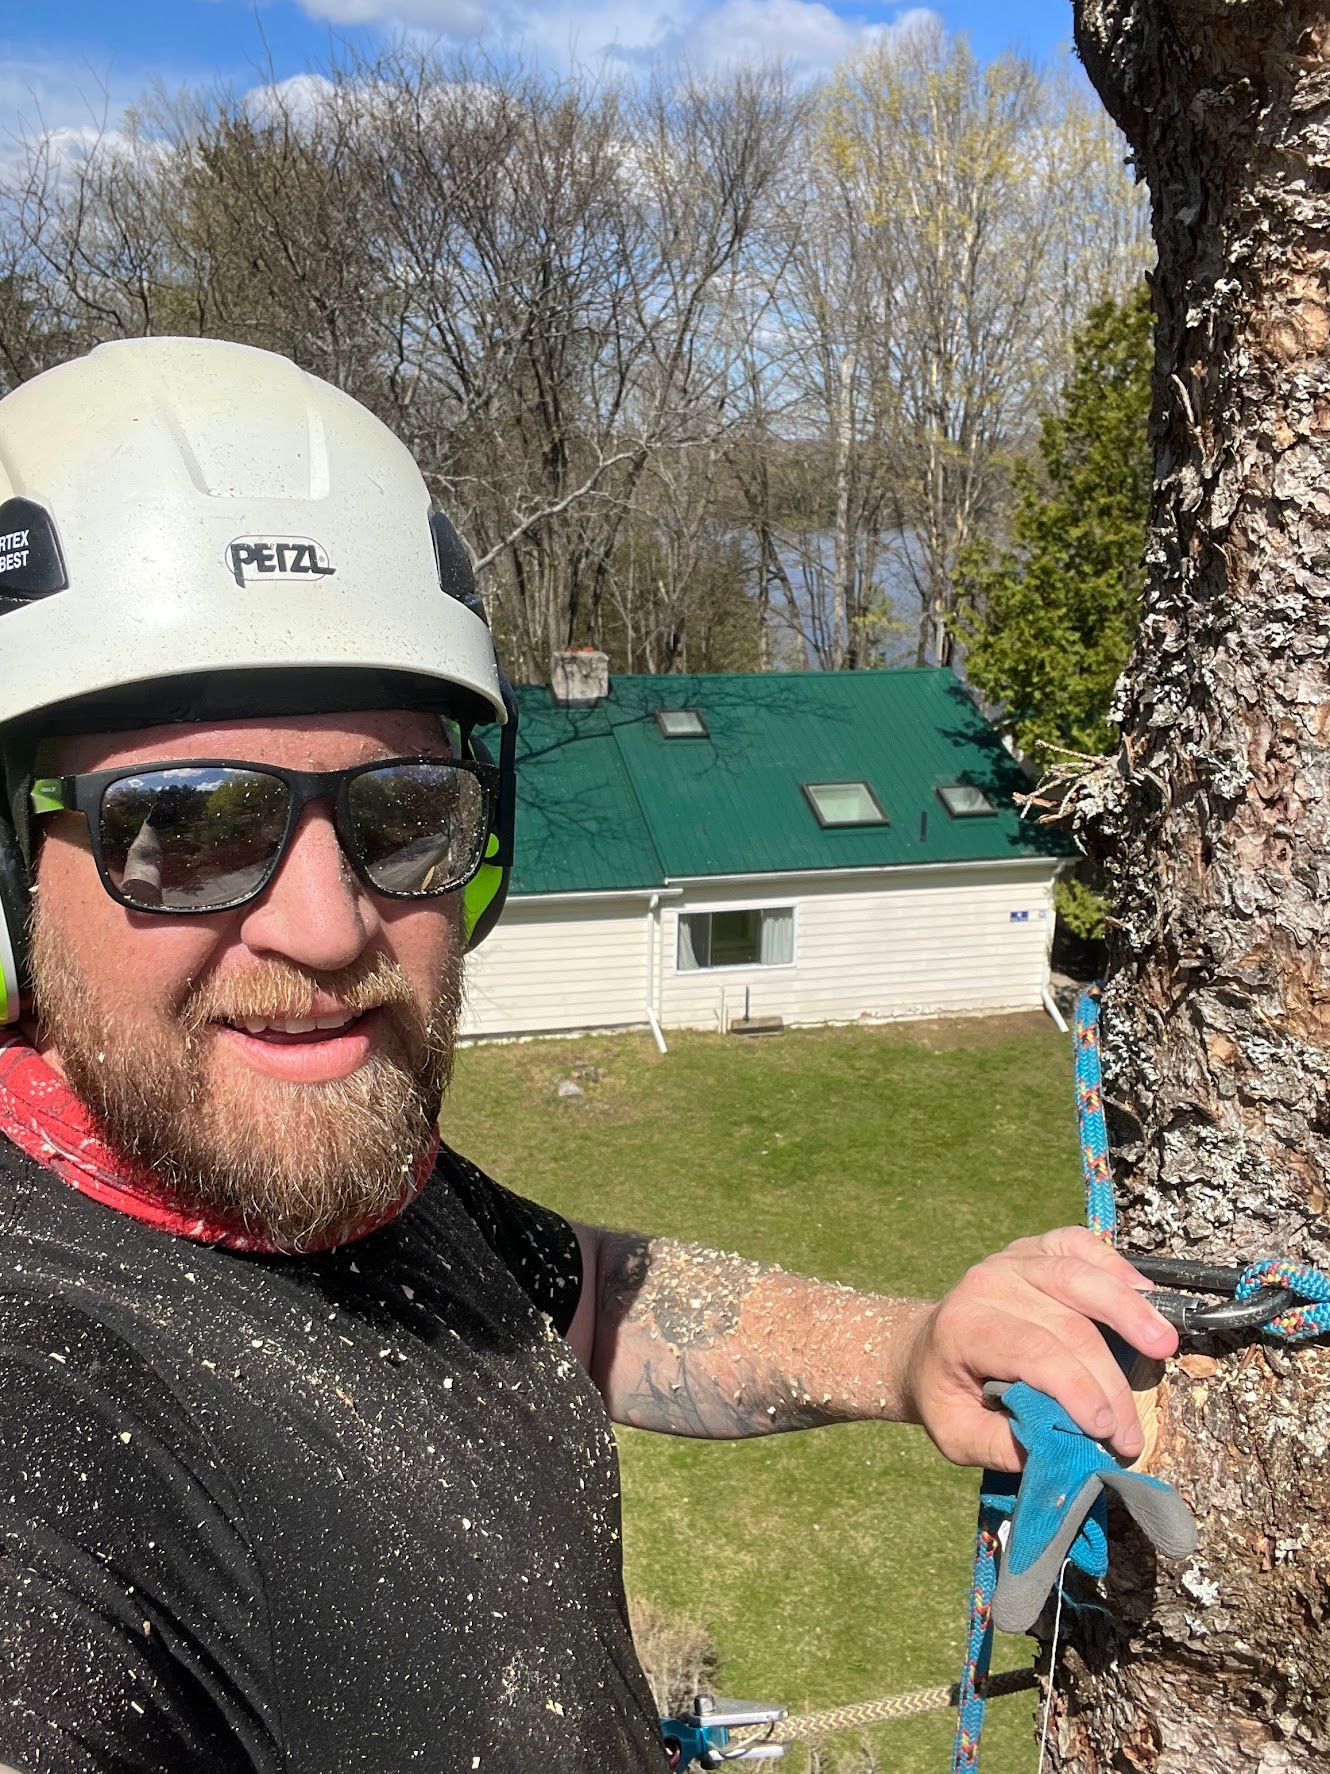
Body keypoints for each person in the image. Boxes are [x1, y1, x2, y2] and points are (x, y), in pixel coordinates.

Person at [0, 338, 1177, 1774]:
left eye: (402, 811)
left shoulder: (344, 1188)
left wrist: (907, 1348)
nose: (326, 925)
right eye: (185, 827)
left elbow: (582, 1292)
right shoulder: (46, 1437)